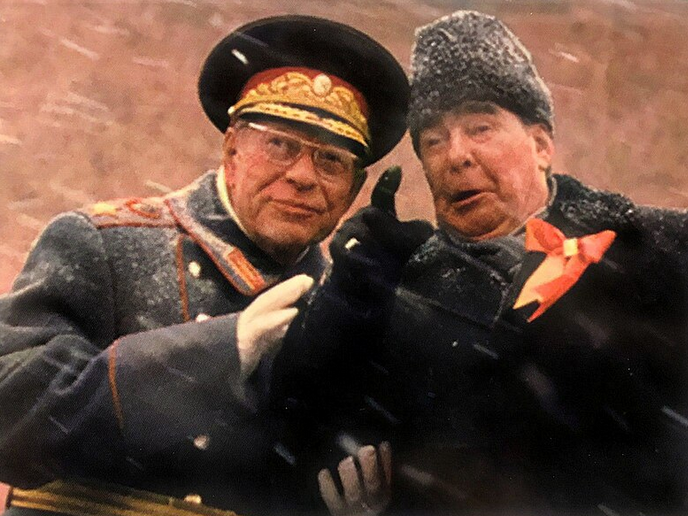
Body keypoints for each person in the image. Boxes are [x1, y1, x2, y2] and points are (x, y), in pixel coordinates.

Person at [273, 10, 688, 515]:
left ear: (541, 145)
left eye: (480, 127)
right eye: (433, 140)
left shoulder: (657, 248)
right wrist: (353, 291)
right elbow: (294, 435)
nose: (456, 155)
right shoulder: (397, 293)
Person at [0, 15, 408, 516]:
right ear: (232, 148)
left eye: (331, 161)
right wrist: (217, 352)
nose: (303, 176)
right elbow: (9, 416)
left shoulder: (343, 307)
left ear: (354, 188)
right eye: (280, 145)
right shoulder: (103, 243)